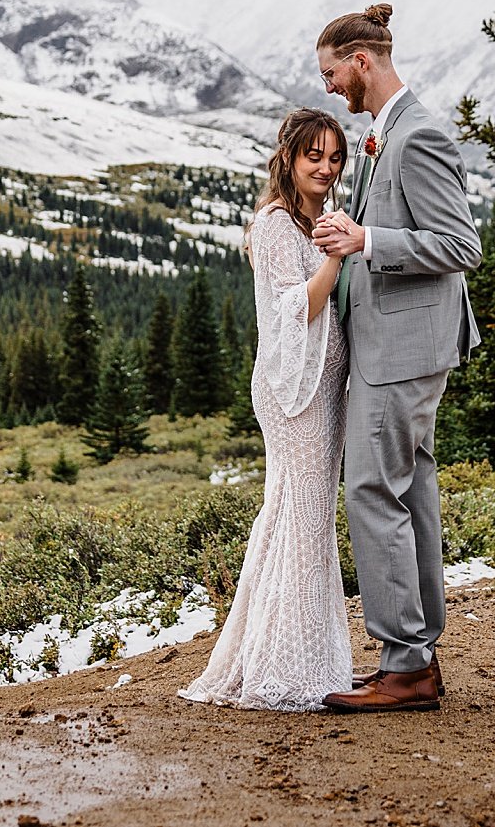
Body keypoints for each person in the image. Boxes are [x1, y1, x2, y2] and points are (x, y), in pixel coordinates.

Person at [310, 3, 482, 714]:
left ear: (361, 62)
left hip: (403, 350)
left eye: (330, 73)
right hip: (400, 345)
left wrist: (366, 241)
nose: (328, 89)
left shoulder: (418, 136)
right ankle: (414, 658)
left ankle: (405, 663)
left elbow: (460, 246)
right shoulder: (391, 134)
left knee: (374, 494)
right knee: (409, 493)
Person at [177, 108, 355, 711]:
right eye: (315, 157)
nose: (326, 169)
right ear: (288, 156)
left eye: (335, 158)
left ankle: (294, 653)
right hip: (292, 395)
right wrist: (335, 255)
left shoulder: (314, 220)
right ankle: (285, 668)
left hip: (324, 390)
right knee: (299, 519)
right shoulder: (276, 225)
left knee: (300, 519)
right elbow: (292, 310)